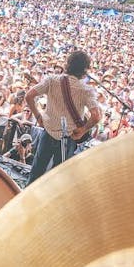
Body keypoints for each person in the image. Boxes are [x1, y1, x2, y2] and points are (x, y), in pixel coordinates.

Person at [24, 50, 102, 184]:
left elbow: (29, 96)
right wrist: (83, 130)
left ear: (68, 64)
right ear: (84, 70)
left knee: (36, 171)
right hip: (68, 139)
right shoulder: (86, 90)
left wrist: (38, 116)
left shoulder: (52, 80)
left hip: (48, 133)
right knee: (58, 178)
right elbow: (96, 116)